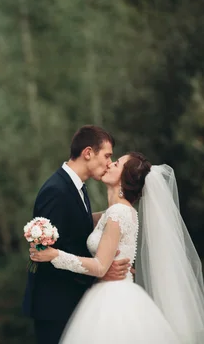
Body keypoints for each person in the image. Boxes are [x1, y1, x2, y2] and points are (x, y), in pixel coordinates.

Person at [30, 152, 204, 343]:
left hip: (114, 300)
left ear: (124, 178)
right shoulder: (114, 212)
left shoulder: (119, 213)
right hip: (109, 293)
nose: (110, 164)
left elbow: (100, 266)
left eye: (117, 163)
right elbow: (81, 222)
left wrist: (54, 255)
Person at [21, 126, 131, 344]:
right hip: (55, 307)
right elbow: (48, 256)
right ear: (88, 153)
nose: (109, 162)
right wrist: (99, 273)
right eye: (107, 156)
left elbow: (77, 230)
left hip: (72, 302)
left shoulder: (78, 188)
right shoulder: (56, 191)